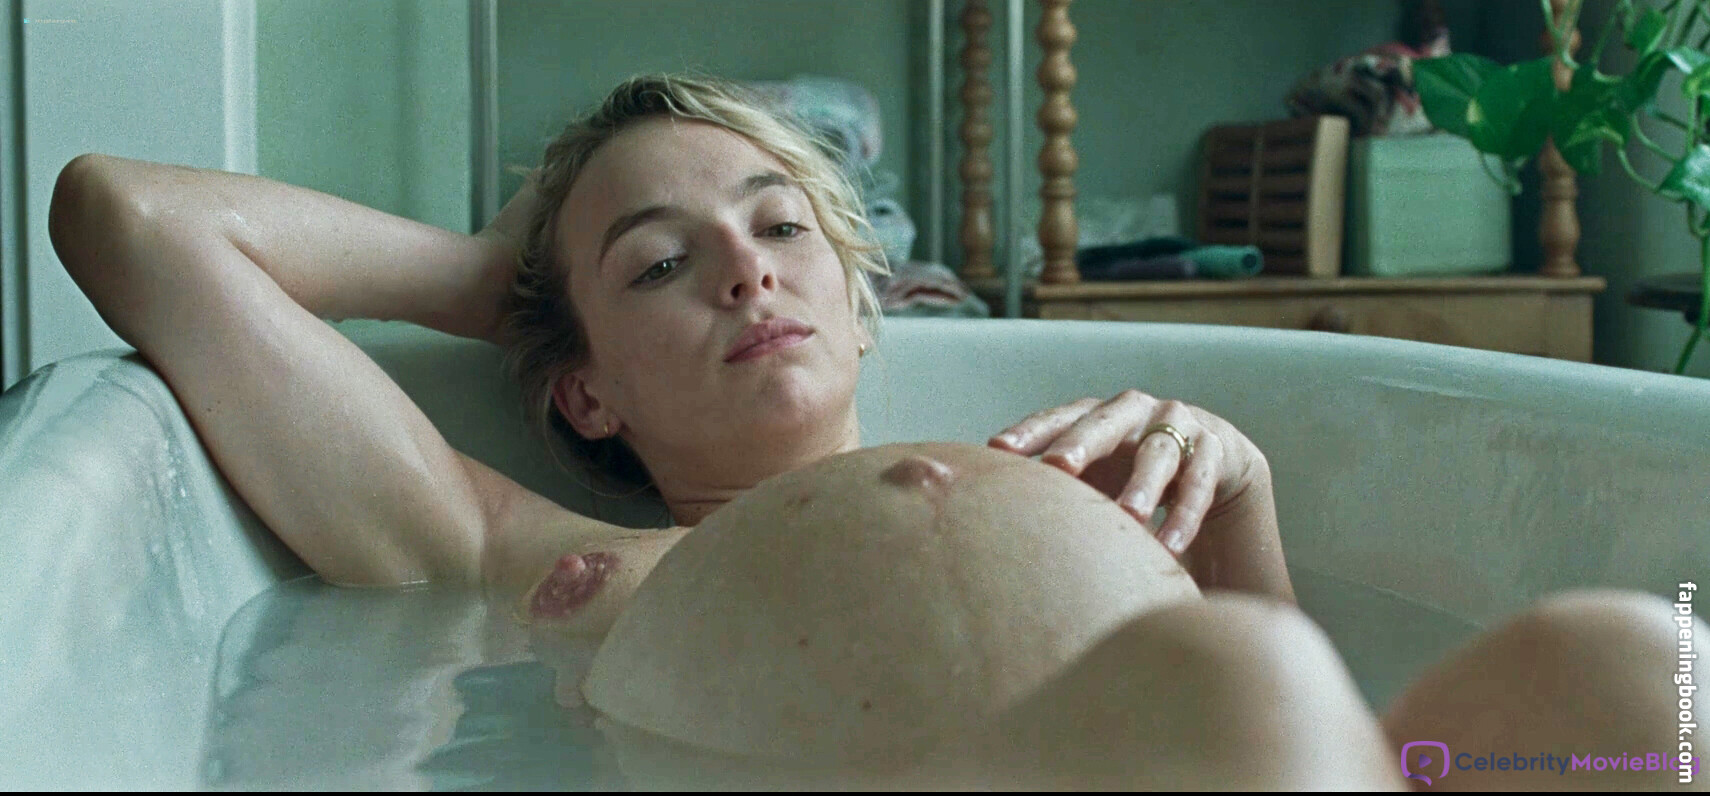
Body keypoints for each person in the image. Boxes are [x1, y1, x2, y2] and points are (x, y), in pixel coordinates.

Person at [47, 72, 1700, 790]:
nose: (745, 270)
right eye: (663, 264)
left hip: (1258, 742)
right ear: (584, 391)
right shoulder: (541, 551)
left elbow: (1341, 742)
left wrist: (1240, 511)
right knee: (1229, 680)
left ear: (861, 303)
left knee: (1632, 672)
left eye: (780, 228)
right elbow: (134, 219)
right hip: (1190, 732)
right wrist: (515, 282)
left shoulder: (1092, 465)